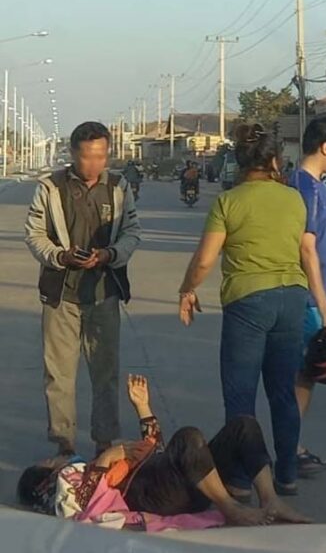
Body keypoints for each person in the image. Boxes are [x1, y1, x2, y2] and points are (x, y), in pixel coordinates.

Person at [177, 123, 308, 495]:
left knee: (240, 395)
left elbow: (204, 260)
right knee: (283, 391)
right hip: (292, 298)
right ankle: (286, 475)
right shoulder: (294, 199)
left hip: (248, 301)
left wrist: (187, 289)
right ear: (274, 160)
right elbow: (301, 248)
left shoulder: (229, 202)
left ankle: (239, 479)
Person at [16, 375, 309, 527]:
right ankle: (229, 509)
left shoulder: (81, 469)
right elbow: (81, 508)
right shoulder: (62, 483)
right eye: (49, 460)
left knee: (243, 426)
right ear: (43, 476)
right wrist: (105, 460)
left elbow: (153, 449)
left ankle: (269, 499)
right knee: (188, 438)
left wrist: (143, 408)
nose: (58, 458)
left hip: (171, 478)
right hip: (148, 495)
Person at [25, 121, 143, 458]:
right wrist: (60, 256)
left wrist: (110, 254)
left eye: (101, 156)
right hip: (61, 293)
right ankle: (64, 444)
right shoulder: (50, 187)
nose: (94, 165)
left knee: (105, 372)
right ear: (73, 153)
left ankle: (104, 441)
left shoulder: (119, 187)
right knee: (59, 373)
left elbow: (132, 231)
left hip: (104, 292)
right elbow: (34, 234)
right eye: (87, 157)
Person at [289, 117, 326, 477]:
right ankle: (289, 448)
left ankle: (289, 444)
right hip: (307, 300)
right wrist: (323, 303)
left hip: (307, 296)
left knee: (301, 375)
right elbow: (306, 248)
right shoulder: (309, 190)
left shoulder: (300, 185)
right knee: (304, 375)